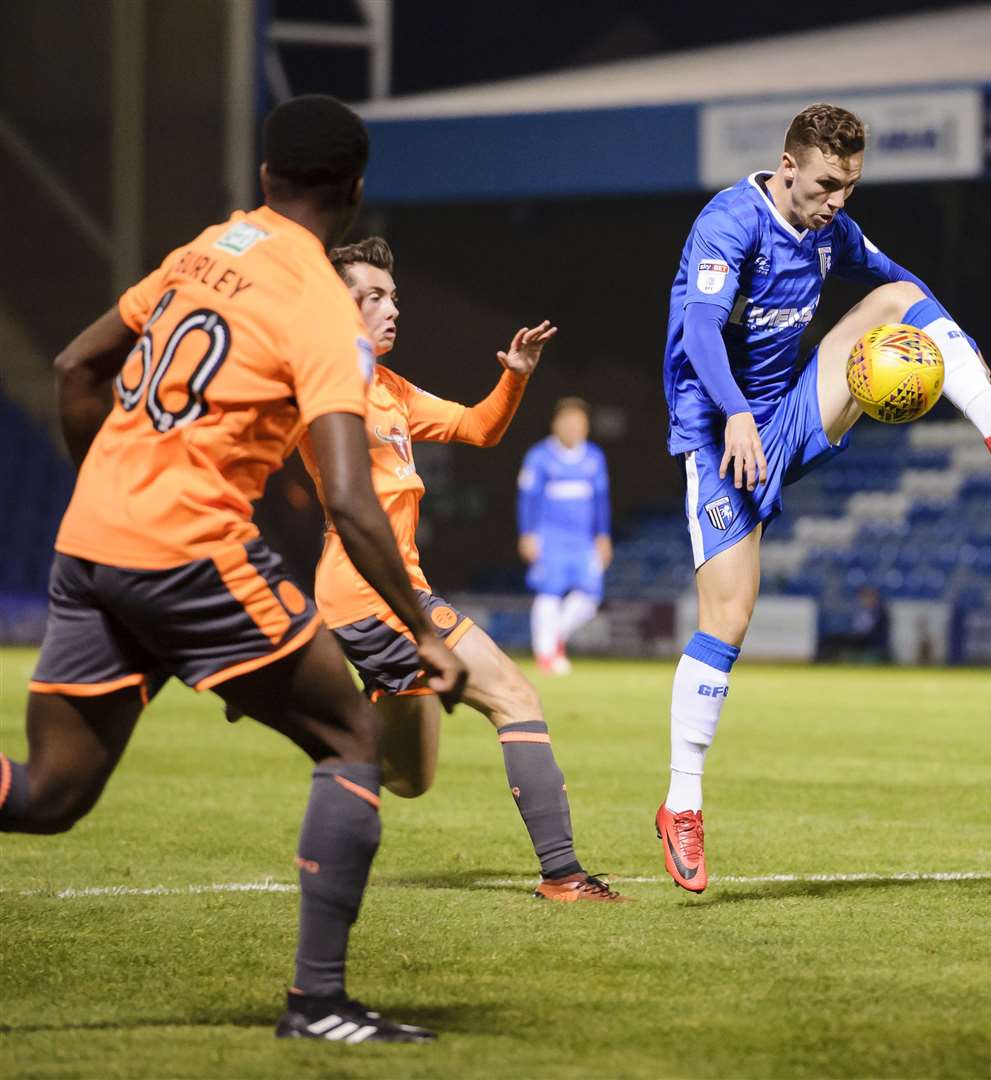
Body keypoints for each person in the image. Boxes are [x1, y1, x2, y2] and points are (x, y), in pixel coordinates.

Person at [1, 96, 464, 1042]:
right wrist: (422, 630)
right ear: (356, 188)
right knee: (350, 740)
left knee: (46, 794)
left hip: (91, 541)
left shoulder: (205, 250)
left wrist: (117, 489)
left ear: (265, 177)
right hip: (188, 549)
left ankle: (322, 1003)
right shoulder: (318, 304)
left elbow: (74, 368)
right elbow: (347, 498)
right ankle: (319, 1005)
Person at [655, 103, 991, 892]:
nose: (836, 201)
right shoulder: (728, 223)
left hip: (787, 410)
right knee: (729, 617)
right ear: (787, 166)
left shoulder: (831, 229)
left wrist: (955, 348)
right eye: (824, 184)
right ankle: (681, 803)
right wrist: (739, 420)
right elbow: (702, 333)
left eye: (849, 186)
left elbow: (902, 284)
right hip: (719, 436)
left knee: (893, 306)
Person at [296, 237, 622, 902]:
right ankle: (562, 875)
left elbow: (478, 428)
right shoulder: (318, 383)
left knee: (409, 777)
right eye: (374, 297)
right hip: (372, 593)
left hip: (382, 595)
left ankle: (322, 710)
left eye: (394, 297)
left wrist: (517, 375)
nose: (392, 310)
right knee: (514, 697)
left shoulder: (389, 389)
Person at [518, 398, 612, 676]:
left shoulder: (594, 457)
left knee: (590, 598)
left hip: (583, 541)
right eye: (568, 422)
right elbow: (527, 499)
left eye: (579, 423)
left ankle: (553, 637)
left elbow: (601, 501)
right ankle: (545, 654)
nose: (574, 428)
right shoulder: (539, 457)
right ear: (556, 425)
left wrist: (603, 536)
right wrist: (527, 534)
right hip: (550, 539)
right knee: (548, 593)